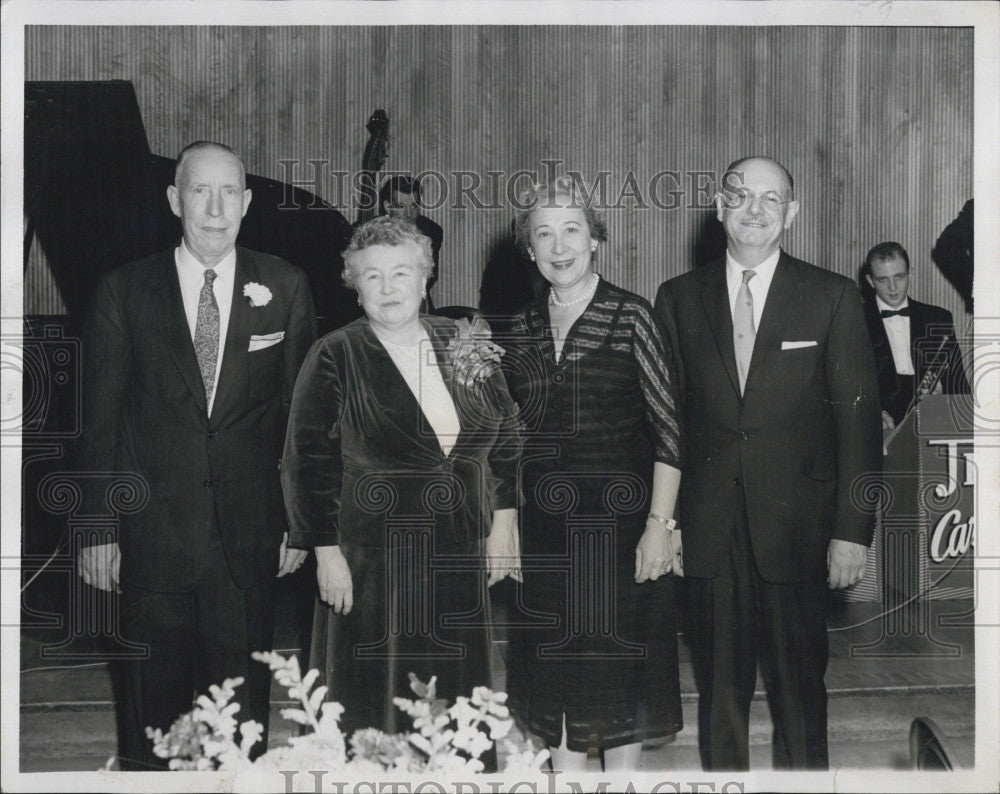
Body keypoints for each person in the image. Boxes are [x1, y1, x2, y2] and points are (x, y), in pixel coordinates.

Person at [75, 141, 317, 769]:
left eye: (229, 191)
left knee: (239, 724)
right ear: (174, 199)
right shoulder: (123, 291)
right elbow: (97, 423)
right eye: (200, 191)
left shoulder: (285, 286)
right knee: (153, 725)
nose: (215, 207)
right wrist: (98, 530)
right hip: (150, 539)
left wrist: (299, 520)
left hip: (249, 539)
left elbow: (300, 419)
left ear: (248, 201)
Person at [654, 157, 882, 771]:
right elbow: (666, 424)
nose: (754, 209)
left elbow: (859, 430)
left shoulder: (832, 296)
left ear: (792, 213)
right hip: (708, 533)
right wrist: (665, 522)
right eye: (740, 195)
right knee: (719, 697)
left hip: (801, 534)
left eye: (771, 199)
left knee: (800, 694)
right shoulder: (677, 297)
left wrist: (851, 533)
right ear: (719, 207)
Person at [280, 216, 521, 751]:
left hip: (458, 550)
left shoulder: (462, 338)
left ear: (425, 277)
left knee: (455, 702)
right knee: (370, 707)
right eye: (372, 276)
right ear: (354, 284)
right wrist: (325, 553)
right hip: (369, 560)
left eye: (401, 273)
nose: (388, 288)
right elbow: (307, 460)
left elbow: (506, 434)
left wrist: (503, 523)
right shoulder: (334, 353)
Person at [503, 176, 684, 772]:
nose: (559, 246)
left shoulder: (632, 316)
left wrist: (660, 524)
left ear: (596, 239)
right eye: (544, 233)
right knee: (556, 701)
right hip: (545, 543)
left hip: (620, 538)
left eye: (572, 229)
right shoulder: (520, 327)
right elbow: (509, 440)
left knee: (618, 696)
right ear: (527, 248)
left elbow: (670, 432)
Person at [862, 241, 971, 430]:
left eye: (899, 276)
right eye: (883, 279)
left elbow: (959, 385)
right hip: (878, 431)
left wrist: (943, 394)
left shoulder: (938, 318)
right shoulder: (854, 320)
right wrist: (871, 412)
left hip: (931, 425)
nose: (893, 287)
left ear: (909, 275)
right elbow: (844, 390)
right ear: (871, 281)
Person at [379, 175, 444, 309]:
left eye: (414, 206)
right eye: (401, 206)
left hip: (416, 302)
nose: (409, 214)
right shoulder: (367, 230)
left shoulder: (431, 231)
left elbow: (431, 275)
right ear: (387, 206)